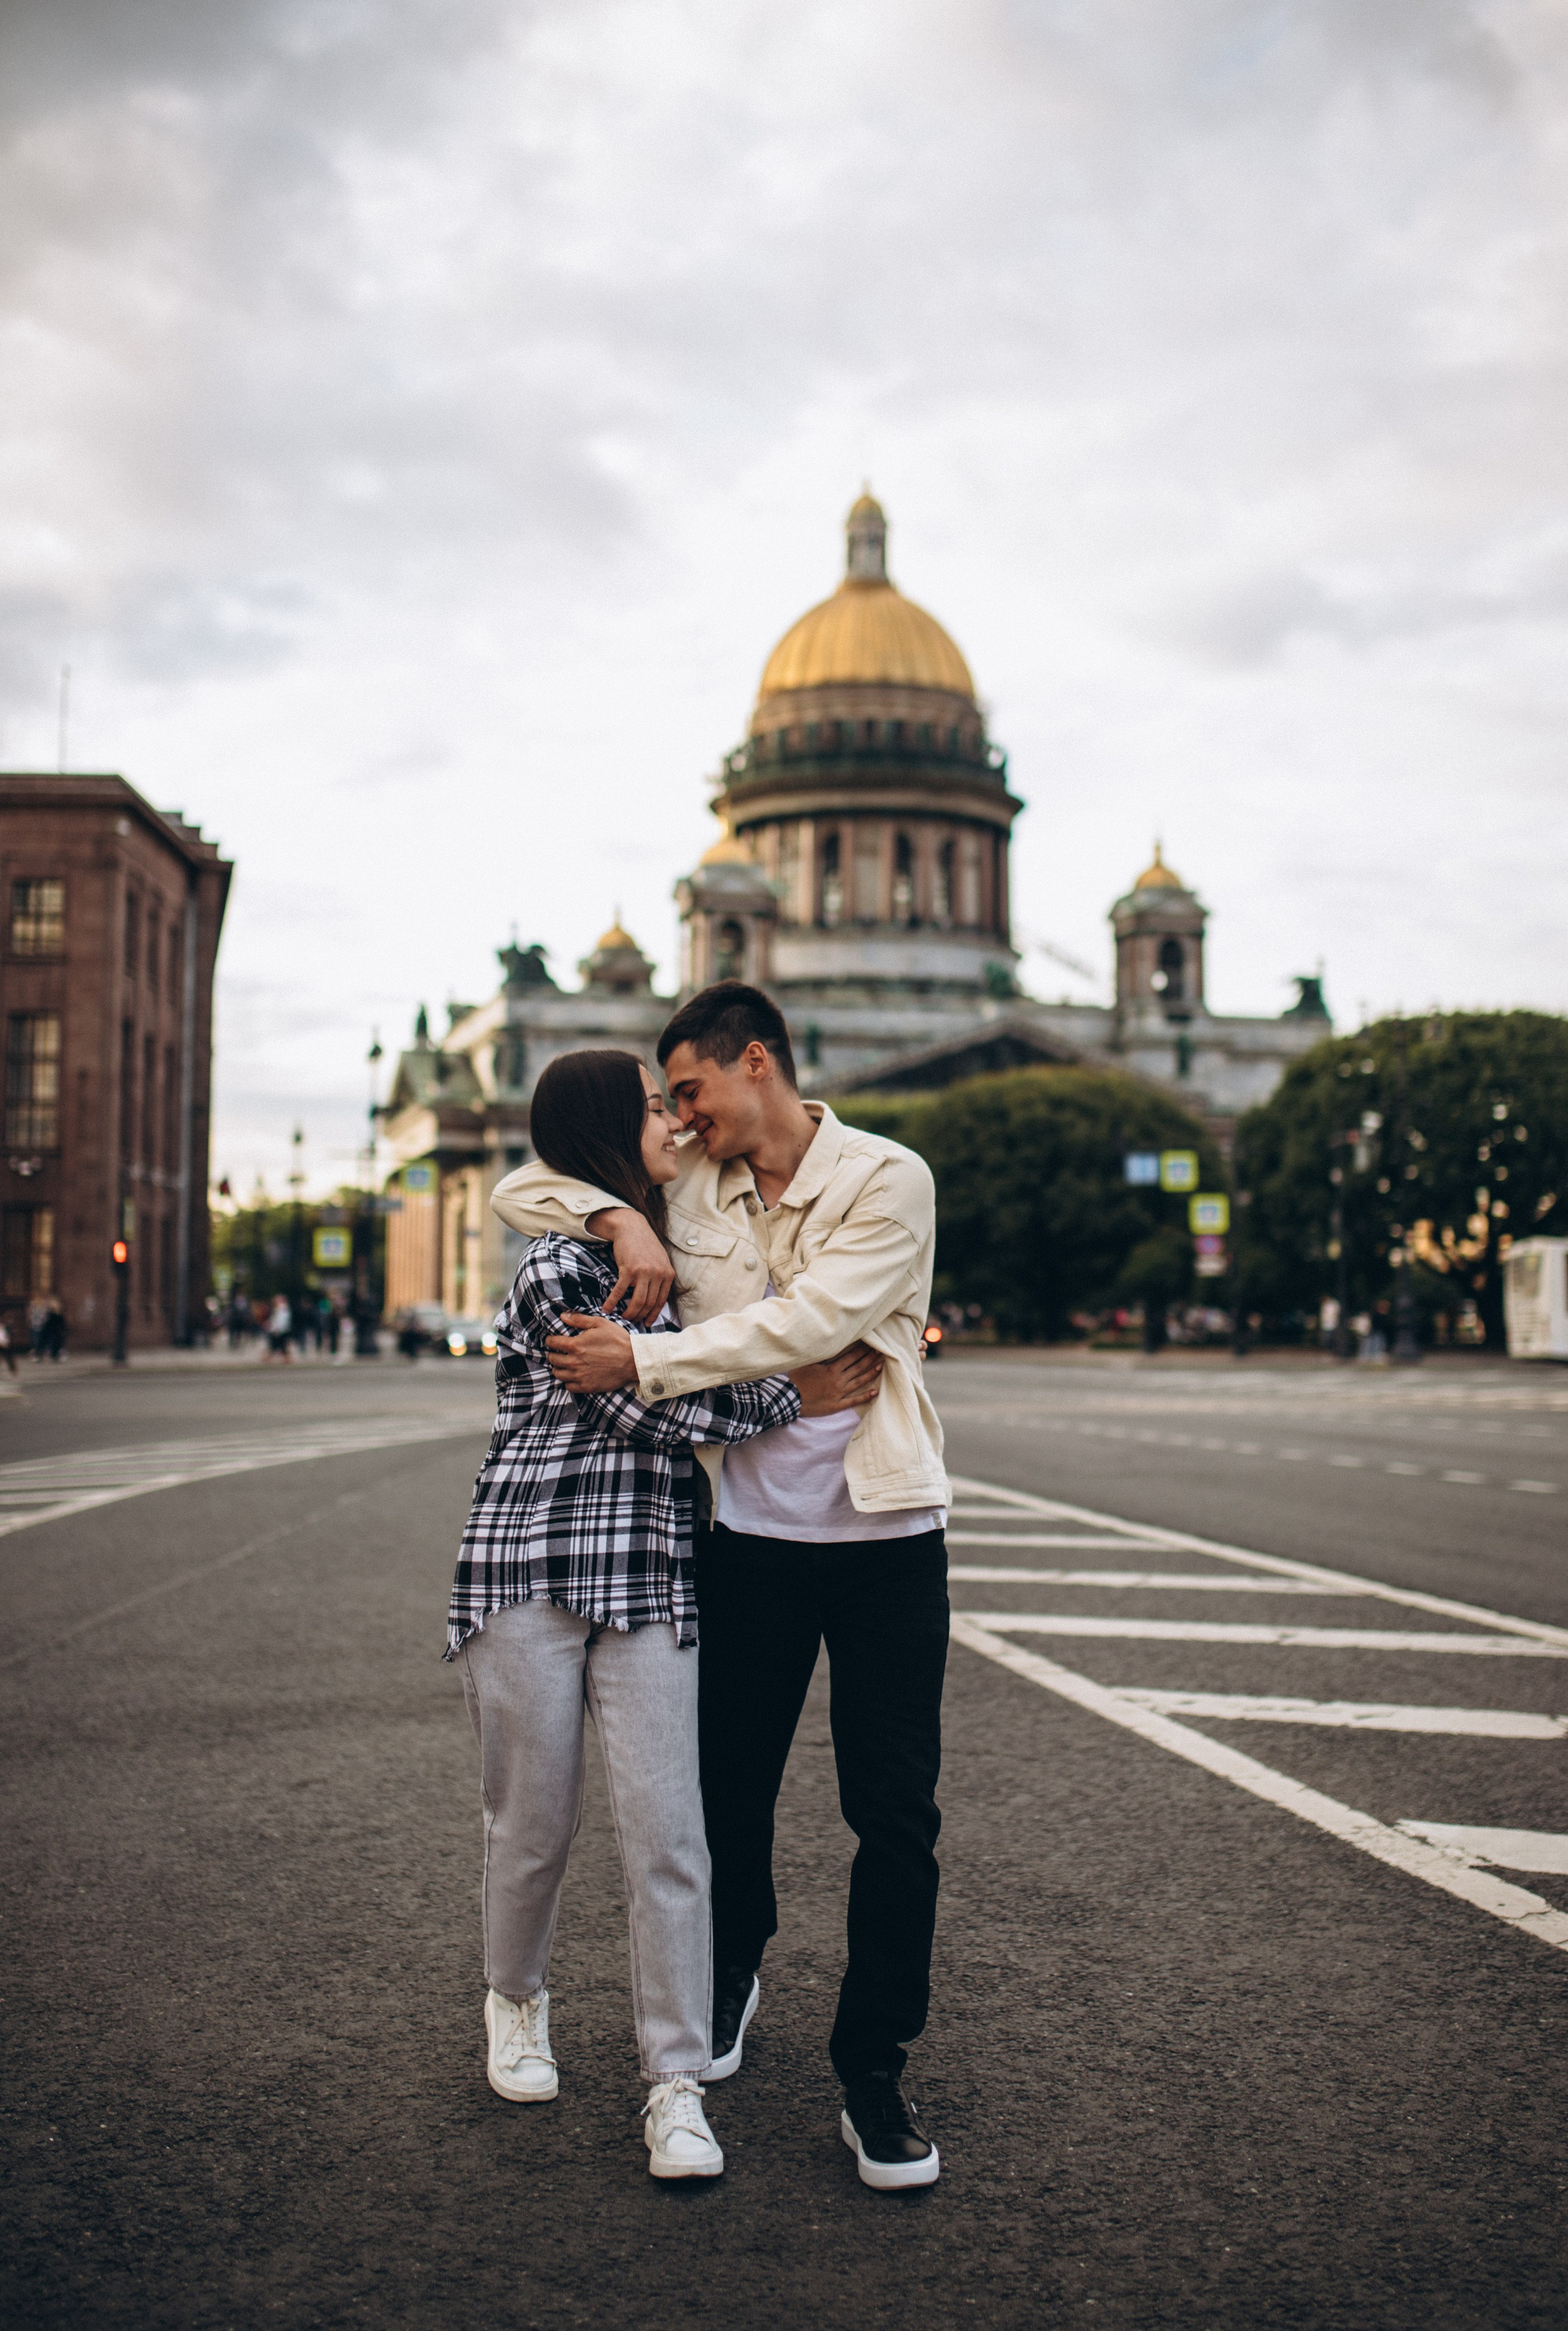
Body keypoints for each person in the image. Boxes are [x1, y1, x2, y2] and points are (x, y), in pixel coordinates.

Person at [492, 982, 949, 2192]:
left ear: (755, 1062)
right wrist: (619, 1220)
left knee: (893, 1811)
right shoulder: (690, 1184)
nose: (675, 1119)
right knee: (723, 1794)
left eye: (686, 1090)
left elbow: (810, 1321)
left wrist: (640, 1356)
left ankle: (873, 2068)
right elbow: (521, 1185)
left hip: (887, 1532)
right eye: (663, 1105)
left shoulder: (890, 1177)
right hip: (741, 1529)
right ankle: (730, 1971)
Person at [265, 1293, 293, 1361]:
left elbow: (282, 1320)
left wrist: (277, 1329)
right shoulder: (280, 1308)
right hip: (279, 1330)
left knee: (278, 1345)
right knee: (279, 1345)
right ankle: (286, 1359)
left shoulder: (282, 1309)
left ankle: (286, 1359)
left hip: (280, 1330)